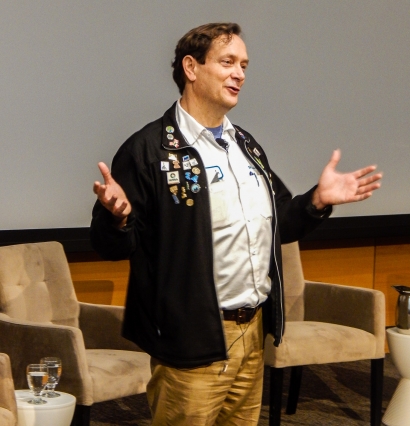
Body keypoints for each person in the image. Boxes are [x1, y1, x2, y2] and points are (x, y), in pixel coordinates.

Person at [90, 22, 382, 426]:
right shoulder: (149, 149)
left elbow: (280, 225)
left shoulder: (246, 146)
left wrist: (316, 201)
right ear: (191, 68)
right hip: (191, 338)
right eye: (227, 62)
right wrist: (117, 217)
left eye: (244, 64)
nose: (240, 73)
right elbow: (111, 247)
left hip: (252, 331)